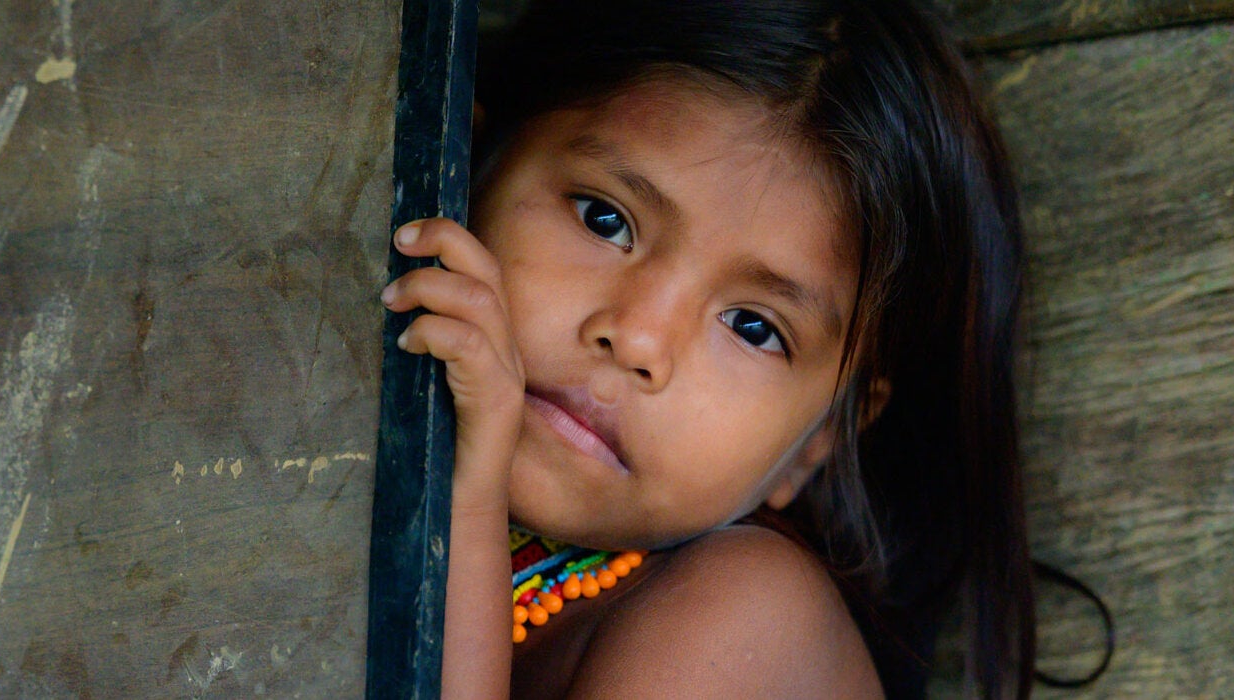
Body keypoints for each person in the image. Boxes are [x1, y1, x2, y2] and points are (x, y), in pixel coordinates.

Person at [378, 0, 1033, 696]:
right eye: (605, 220)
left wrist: (463, 508)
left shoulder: (743, 620)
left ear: (819, 442)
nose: (637, 337)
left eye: (753, 327)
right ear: (457, 167)